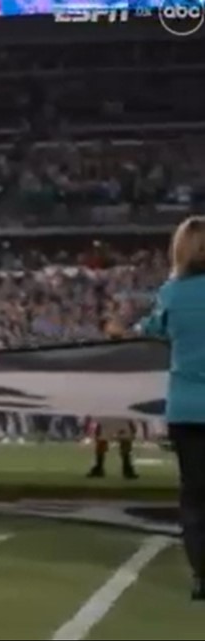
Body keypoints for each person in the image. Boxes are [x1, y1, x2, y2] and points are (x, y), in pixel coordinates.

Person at [133, 215, 205, 602]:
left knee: (194, 496)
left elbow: (151, 329)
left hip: (187, 409)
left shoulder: (172, 293)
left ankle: (201, 576)